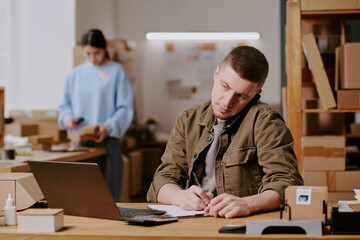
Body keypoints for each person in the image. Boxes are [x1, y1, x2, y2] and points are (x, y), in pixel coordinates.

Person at [147, 45, 303, 218]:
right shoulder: (187, 120)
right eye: (225, 86)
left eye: (241, 96)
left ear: (256, 94)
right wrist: (180, 197)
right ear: (216, 73)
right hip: (192, 223)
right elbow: (162, 180)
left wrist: (248, 203)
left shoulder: (266, 122)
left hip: (242, 225)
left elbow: (287, 183)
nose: (227, 102)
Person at [58, 29, 134, 202]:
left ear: (105, 48)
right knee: (80, 197)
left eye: (97, 53)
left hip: (107, 142)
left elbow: (125, 107)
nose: (93, 57)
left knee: (107, 198)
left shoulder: (117, 72)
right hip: (80, 144)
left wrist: (108, 126)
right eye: (88, 53)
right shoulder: (75, 74)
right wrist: (67, 118)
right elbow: (64, 106)